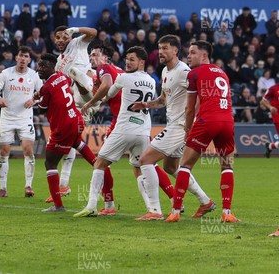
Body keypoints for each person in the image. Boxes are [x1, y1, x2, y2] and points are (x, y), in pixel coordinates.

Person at [129, 35, 214, 221]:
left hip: (179, 126)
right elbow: (163, 99)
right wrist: (145, 104)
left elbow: (199, 96)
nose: (161, 52)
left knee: (145, 160)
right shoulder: (166, 72)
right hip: (174, 125)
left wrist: (190, 124)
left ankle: (155, 210)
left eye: (165, 48)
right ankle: (205, 201)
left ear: (176, 51)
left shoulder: (184, 71)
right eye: (159, 48)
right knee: (171, 166)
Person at [74, 46, 156, 217]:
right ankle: (153, 209)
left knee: (99, 164)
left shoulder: (123, 77)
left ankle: (91, 206)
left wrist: (90, 103)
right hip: (143, 130)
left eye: (132, 59)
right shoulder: (152, 81)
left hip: (124, 128)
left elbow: (107, 94)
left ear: (141, 62)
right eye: (127, 58)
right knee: (140, 169)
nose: (127, 61)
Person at [165, 41, 238, 223]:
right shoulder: (222, 72)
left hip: (208, 121)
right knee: (227, 166)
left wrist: (187, 129)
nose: (188, 56)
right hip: (227, 121)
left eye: (192, 53)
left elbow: (190, 109)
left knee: (185, 165)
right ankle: (227, 212)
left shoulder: (194, 73)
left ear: (204, 55)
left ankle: (175, 212)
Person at [44, 26, 110, 209]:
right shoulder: (58, 63)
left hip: (90, 94)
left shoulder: (77, 43)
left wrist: (73, 30)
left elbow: (94, 32)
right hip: (77, 105)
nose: (60, 39)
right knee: (75, 141)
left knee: (80, 80)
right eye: (57, 37)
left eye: (63, 36)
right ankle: (65, 185)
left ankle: (83, 82)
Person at [35, 54, 85, 212]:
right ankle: (103, 172)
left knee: (49, 162)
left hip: (62, 127)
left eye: (43, 66)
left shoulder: (46, 87)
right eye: (38, 66)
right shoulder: (62, 77)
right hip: (75, 119)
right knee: (80, 146)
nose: (39, 69)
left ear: (52, 67)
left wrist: (37, 98)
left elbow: (41, 109)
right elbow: (68, 86)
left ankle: (58, 205)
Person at [0, 47, 43, 198]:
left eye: (26, 56)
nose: (22, 59)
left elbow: (42, 95)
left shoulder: (34, 75)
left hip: (25, 119)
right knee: (3, 151)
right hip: (7, 118)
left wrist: (33, 100)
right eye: (20, 56)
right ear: (16, 58)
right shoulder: (6, 74)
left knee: (28, 150)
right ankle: (2, 188)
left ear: (29, 60)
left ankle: (28, 186)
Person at [262, 83, 279, 158]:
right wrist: (270, 107)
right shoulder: (273, 88)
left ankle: (270, 146)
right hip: (277, 117)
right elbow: (263, 101)